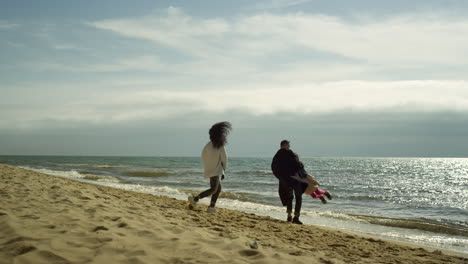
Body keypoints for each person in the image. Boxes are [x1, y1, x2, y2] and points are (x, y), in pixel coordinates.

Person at [188, 121, 232, 213]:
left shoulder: (208, 145)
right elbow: (225, 159)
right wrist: (224, 169)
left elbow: (203, 155)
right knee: (214, 189)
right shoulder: (220, 146)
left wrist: (208, 165)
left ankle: (211, 207)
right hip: (217, 171)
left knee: (218, 189)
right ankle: (195, 199)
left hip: (210, 170)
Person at [271, 140, 306, 224]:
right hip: (294, 179)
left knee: (289, 197)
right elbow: (297, 165)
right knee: (298, 197)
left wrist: (280, 178)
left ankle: (289, 216)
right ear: (285, 145)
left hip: (284, 181)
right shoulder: (290, 153)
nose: (289, 147)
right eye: (288, 145)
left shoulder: (277, 155)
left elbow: (274, 168)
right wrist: (298, 160)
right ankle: (296, 217)